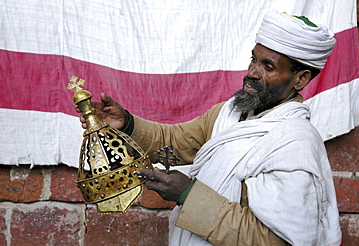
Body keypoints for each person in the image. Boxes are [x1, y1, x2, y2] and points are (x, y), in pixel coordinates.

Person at [77, 10, 342, 246]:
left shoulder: (295, 143)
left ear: (300, 78)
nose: (252, 72)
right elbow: (175, 142)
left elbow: (272, 240)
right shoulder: (228, 115)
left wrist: (187, 194)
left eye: (267, 66)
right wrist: (127, 124)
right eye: (254, 60)